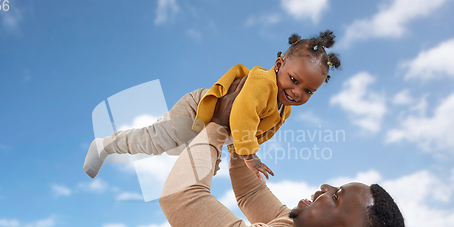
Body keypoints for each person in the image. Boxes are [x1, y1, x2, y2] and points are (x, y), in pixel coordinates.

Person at [159, 82, 406, 227]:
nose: (326, 187)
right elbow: (251, 193)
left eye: (336, 196)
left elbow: (181, 198)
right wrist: (243, 133)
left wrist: (218, 123)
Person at [83, 30, 341, 180]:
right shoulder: (263, 82)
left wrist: (241, 153)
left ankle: (168, 129)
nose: (297, 92)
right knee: (156, 142)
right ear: (278, 66)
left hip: (218, 133)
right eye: (294, 80)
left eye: (308, 90)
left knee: (196, 165)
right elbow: (243, 114)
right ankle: (105, 145)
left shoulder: (285, 107)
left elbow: (258, 131)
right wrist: (250, 155)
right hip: (197, 112)